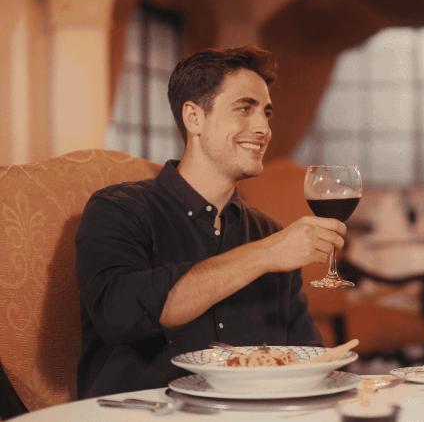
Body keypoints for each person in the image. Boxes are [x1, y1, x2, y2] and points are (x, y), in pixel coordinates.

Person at [75, 46, 346, 398]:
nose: (263, 128)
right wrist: (265, 255)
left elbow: (306, 358)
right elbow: (120, 315)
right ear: (194, 117)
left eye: (265, 113)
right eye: (244, 109)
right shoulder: (119, 210)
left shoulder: (268, 232)